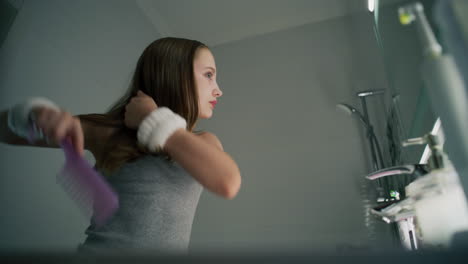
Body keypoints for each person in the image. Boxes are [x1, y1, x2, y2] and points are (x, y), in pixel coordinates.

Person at [0, 37, 241, 254]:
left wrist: (154, 120)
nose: (218, 90)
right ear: (174, 74)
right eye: (209, 74)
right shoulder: (107, 133)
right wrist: (32, 114)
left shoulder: (203, 142)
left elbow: (228, 182)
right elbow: (5, 131)